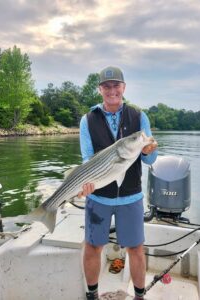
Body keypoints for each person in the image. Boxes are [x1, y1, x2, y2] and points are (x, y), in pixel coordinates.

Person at [79, 66, 158, 300]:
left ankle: (139, 296)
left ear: (124, 87)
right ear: (100, 89)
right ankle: (92, 295)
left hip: (131, 197)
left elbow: (151, 158)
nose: (112, 90)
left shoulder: (139, 116)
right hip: (98, 197)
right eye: (106, 86)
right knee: (93, 247)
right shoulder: (88, 120)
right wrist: (85, 183)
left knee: (136, 249)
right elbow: (87, 159)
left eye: (116, 85)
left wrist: (147, 149)